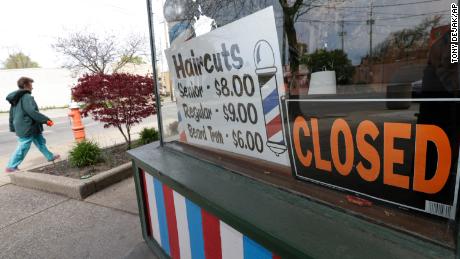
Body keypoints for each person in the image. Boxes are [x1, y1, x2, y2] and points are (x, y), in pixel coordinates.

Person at [5, 77, 60, 173]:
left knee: (40, 141)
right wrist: (46, 120)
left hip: (26, 125)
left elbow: (11, 114)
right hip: (27, 126)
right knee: (24, 145)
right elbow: (32, 111)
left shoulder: (16, 98)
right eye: (31, 85)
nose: (32, 87)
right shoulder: (26, 97)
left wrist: (12, 126)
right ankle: (11, 166)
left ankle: (50, 156)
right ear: (26, 85)